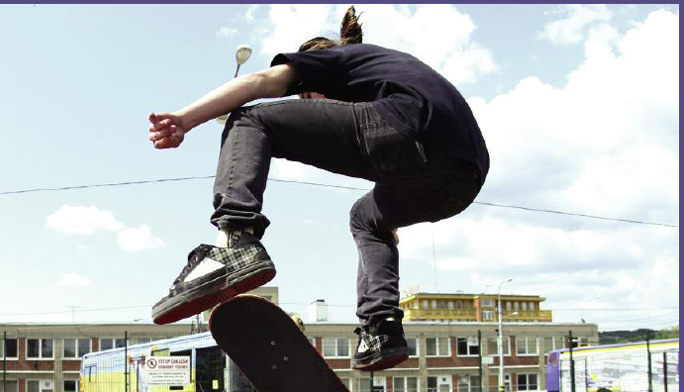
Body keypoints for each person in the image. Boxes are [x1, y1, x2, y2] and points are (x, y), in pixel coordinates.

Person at [148, 6, 489, 371]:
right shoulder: (385, 78)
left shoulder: (332, 60)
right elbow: (401, 161)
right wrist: (389, 221)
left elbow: (257, 83)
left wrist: (185, 119)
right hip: (462, 181)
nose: (309, 112)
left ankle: (235, 242)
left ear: (313, 82)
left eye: (307, 102)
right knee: (366, 219)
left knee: (250, 120)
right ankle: (382, 328)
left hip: (410, 133)